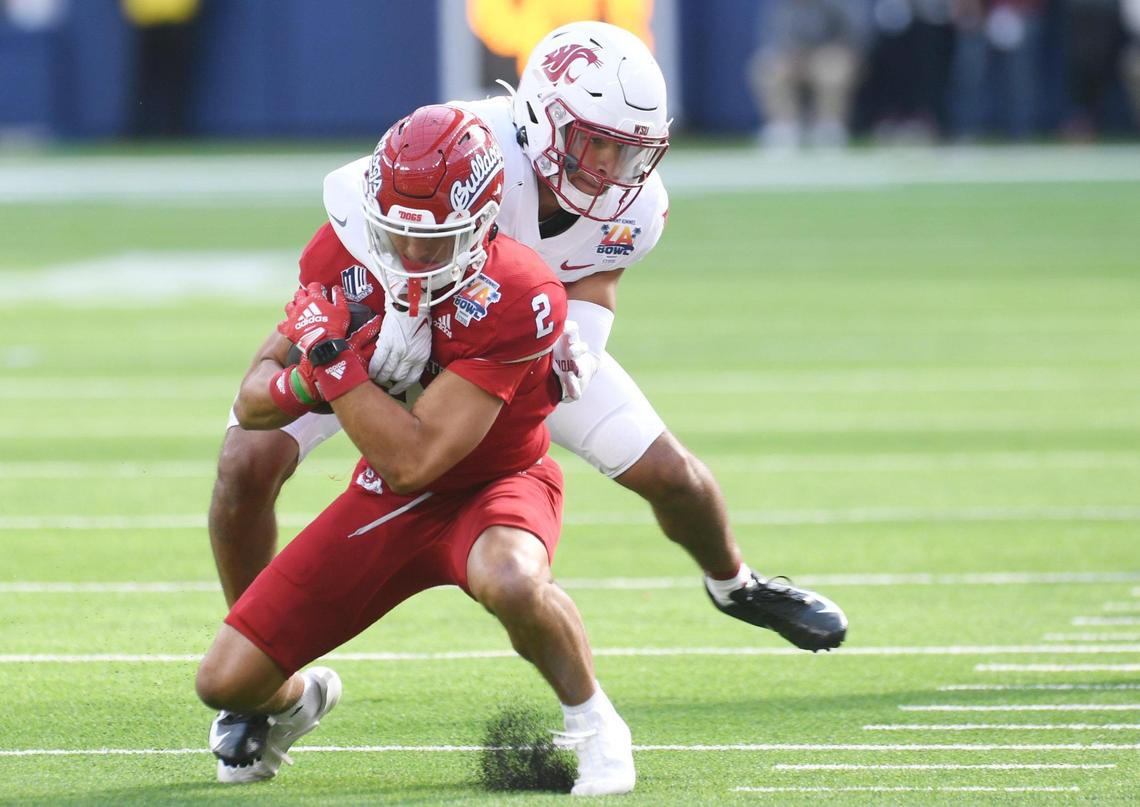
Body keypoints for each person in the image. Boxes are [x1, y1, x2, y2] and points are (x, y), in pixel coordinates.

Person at [208, 20, 845, 687]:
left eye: (625, 152)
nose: (607, 169)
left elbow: (597, 272)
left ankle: (735, 583)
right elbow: (346, 193)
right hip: (388, 322)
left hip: (507, 343)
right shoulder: (465, 139)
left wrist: (583, 338)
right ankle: (263, 682)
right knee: (244, 463)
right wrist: (401, 314)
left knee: (671, 473)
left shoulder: (637, 205)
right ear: (540, 119)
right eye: (593, 143)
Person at [197, 104, 636, 796]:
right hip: (386, 501)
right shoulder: (342, 254)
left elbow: (416, 457)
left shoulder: (521, 291)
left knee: (511, 578)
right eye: (394, 235)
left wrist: (334, 364)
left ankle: (595, 723)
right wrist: (309, 372)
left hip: (497, 483)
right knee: (224, 681)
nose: (409, 257)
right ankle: (296, 700)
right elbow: (254, 402)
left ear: (484, 224)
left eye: (434, 242)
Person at [747, 0, 868, 148]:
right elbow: (772, 42)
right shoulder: (781, 7)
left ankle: (828, 129)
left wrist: (823, 53)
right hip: (795, 61)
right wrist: (793, 56)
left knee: (832, 67)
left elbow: (854, 40)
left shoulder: (840, 5)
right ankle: (784, 129)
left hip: (831, 58)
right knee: (767, 67)